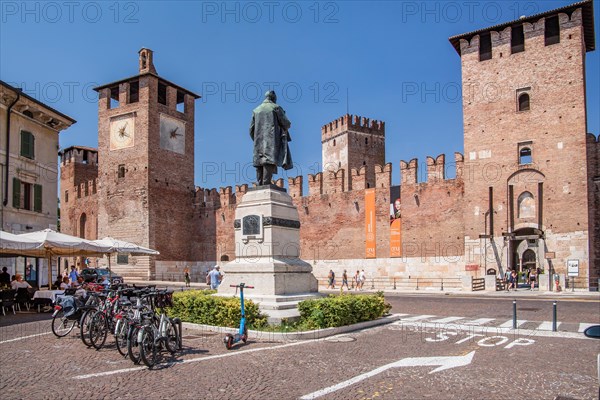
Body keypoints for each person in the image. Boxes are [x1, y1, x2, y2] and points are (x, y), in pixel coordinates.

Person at [249, 90, 293, 186]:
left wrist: (257, 139)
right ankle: (266, 182)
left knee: (259, 161)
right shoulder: (276, 108)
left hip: (258, 140)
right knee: (268, 159)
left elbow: (251, 129)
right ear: (273, 98)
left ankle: (259, 183)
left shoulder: (256, 110)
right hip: (271, 139)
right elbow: (286, 123)